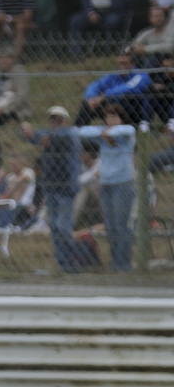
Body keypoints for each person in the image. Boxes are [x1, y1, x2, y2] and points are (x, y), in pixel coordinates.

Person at [76, 104, 137, 272]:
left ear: (121, 119)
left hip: (123, 185)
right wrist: (103, 132)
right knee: (110, 226)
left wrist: (107, 132)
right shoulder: (101, 136)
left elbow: (126, 130)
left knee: (121, 226)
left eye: (114, 117)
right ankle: (115, 263)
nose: (110, 121)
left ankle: (123, 265)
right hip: (106, 186)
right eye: (108, 118)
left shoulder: (127, 134)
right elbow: (82, 131)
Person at [22, 105, 83, 273]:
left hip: (66, 189)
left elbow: (54, 138)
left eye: (59, 119)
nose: (56, 122)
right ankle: (62, 264)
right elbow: (30, 137)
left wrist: (35, 135)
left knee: (63, 227)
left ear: (66, 121)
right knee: (55, 228)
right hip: (52, 189)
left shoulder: (70, 135)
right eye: (53, 119)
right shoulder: (49, 136)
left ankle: (73, 263)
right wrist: (28, 131)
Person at [75, 53, 152, 127]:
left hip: (131, 109)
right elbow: (96, 85)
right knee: (87, 103)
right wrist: (91, 98)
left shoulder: (141, 75)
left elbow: (128, 88)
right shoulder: (113, 75)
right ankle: (77, 129)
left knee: (120, 97)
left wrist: (104, 96)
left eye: (125, 63)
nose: (121, 66)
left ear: (132, 64)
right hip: (111, 104)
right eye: (119, 63)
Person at [69, 0, 136, 57]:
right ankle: (76, 55)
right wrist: (90, 12)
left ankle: (108, 54)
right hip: (93, 12)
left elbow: (130, 1)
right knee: (75, 21)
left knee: (112, 22)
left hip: (115, 11)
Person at [0, 52, 30, 124]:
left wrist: (2, 109)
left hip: (10, 109)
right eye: (1, 58)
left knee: (10, 95)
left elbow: (21, 96)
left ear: (12, 59)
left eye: (6, 58)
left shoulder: (19, 72)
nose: (3, 61)